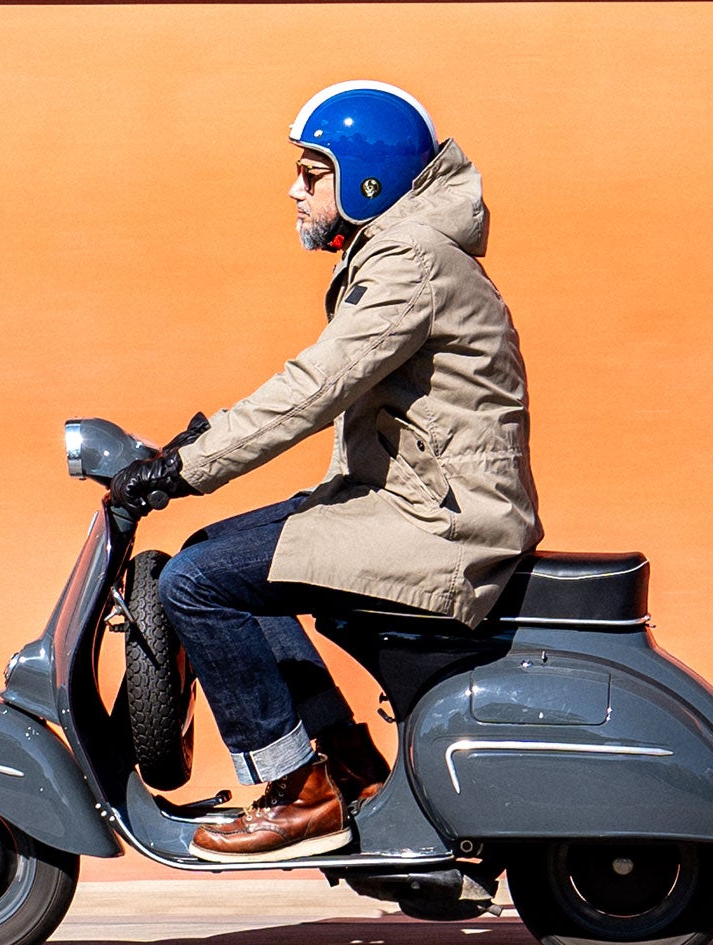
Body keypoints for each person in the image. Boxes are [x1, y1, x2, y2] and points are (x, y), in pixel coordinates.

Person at [110, 80, 542, 862]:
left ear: (365, 178)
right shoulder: (406, 252)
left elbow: (317, 386)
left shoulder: (411, 261)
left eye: (312, 172)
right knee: (221, 553)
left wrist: (186, 466)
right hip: (417, 503)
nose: (294, 189)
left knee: (198, 582)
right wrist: (188, 455)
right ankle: (348, 769)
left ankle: (299, 794)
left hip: (443, 526)